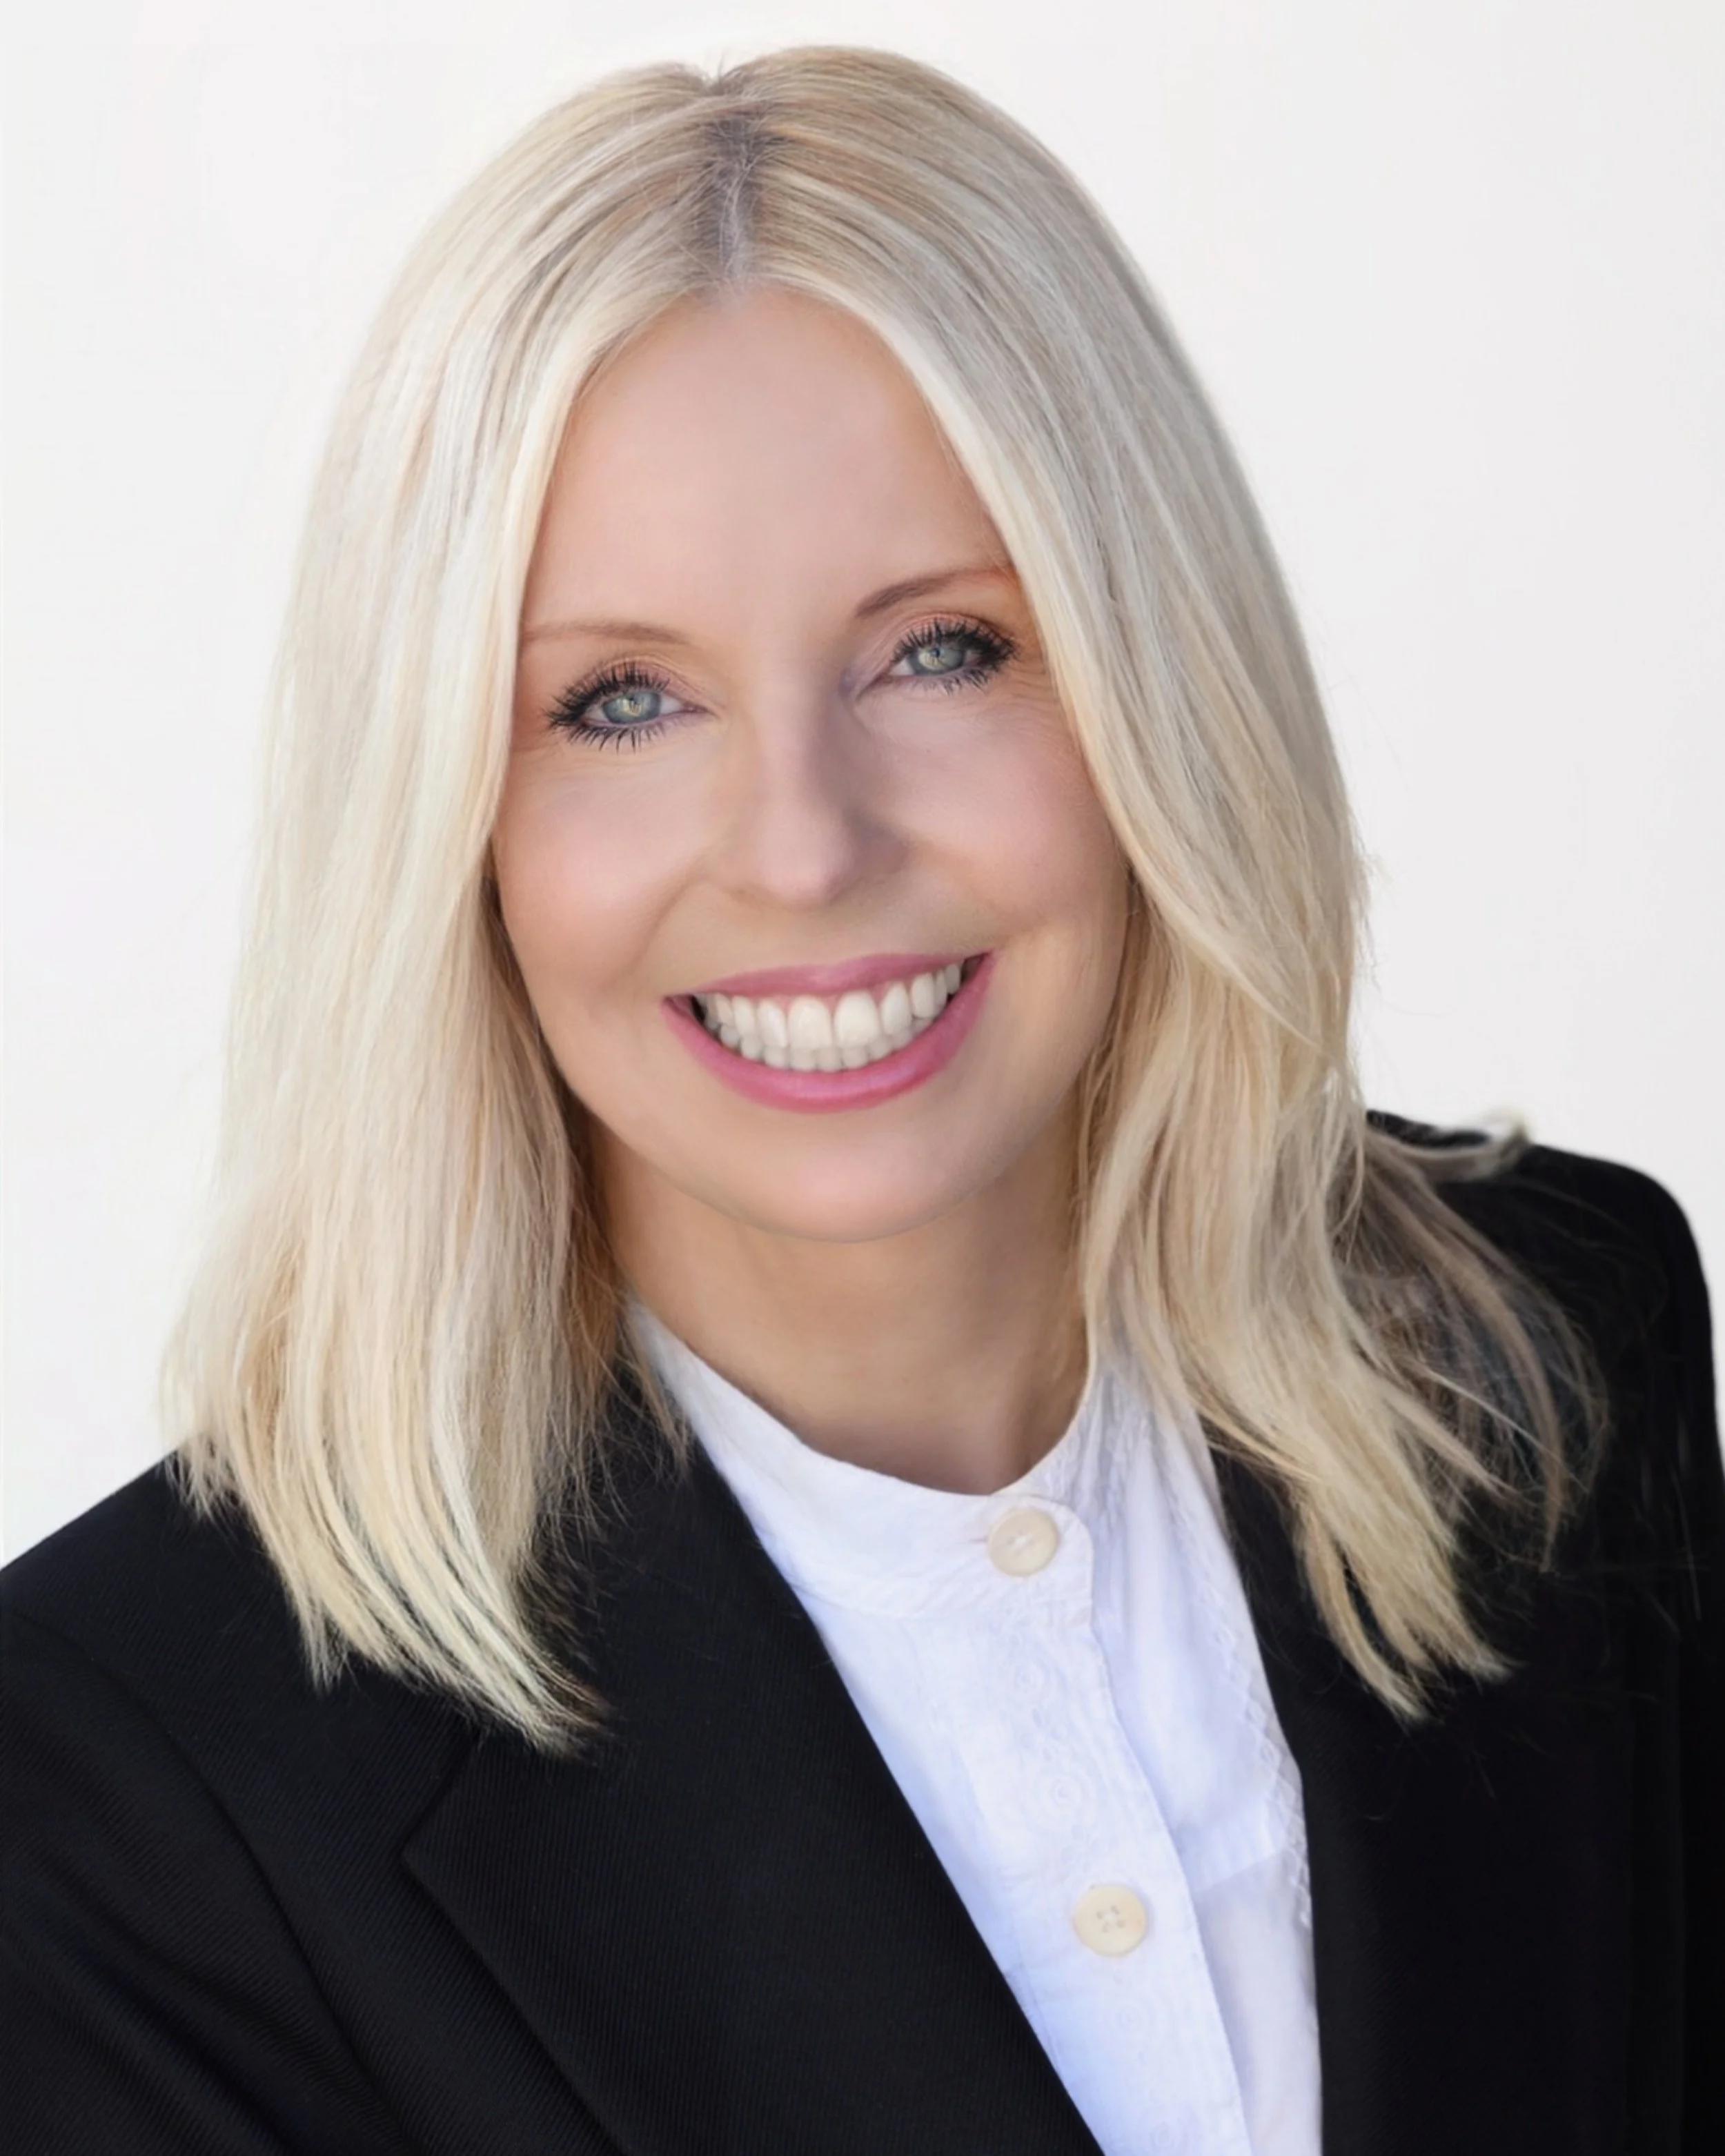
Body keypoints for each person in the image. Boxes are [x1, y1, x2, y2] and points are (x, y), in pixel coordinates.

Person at [2, 45, 1719, 2156]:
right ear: (444, 822)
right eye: (618, 701)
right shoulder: (137, 1761)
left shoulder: (1557, 1339)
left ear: (1152, 682)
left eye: (942, 652)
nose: (802, 847)